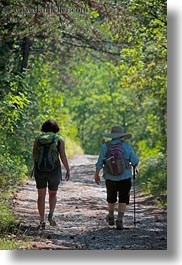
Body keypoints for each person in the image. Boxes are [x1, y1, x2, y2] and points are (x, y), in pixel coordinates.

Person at [95, 126, 139, 230]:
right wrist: (135, 166)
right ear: (121, 135)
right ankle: (120, 219)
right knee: (123, 198)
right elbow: (135, 161)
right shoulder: (126, 145)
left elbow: (100, 162)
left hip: (110, 177)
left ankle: (110, 215)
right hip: (125, 176)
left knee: (111, 197)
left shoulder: (105, 146)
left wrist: (96, 174)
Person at [32, 119, 70, 228]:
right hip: (54, 170)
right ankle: (51, 215)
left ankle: (41, 220)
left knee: (41, 195)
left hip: (40, 169)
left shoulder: (38, 138)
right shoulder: (59, 139)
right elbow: (62, 155)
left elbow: (34, 154)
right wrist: (67, 169)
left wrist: (38, 165)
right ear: (56, 128)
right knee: (53, 193)